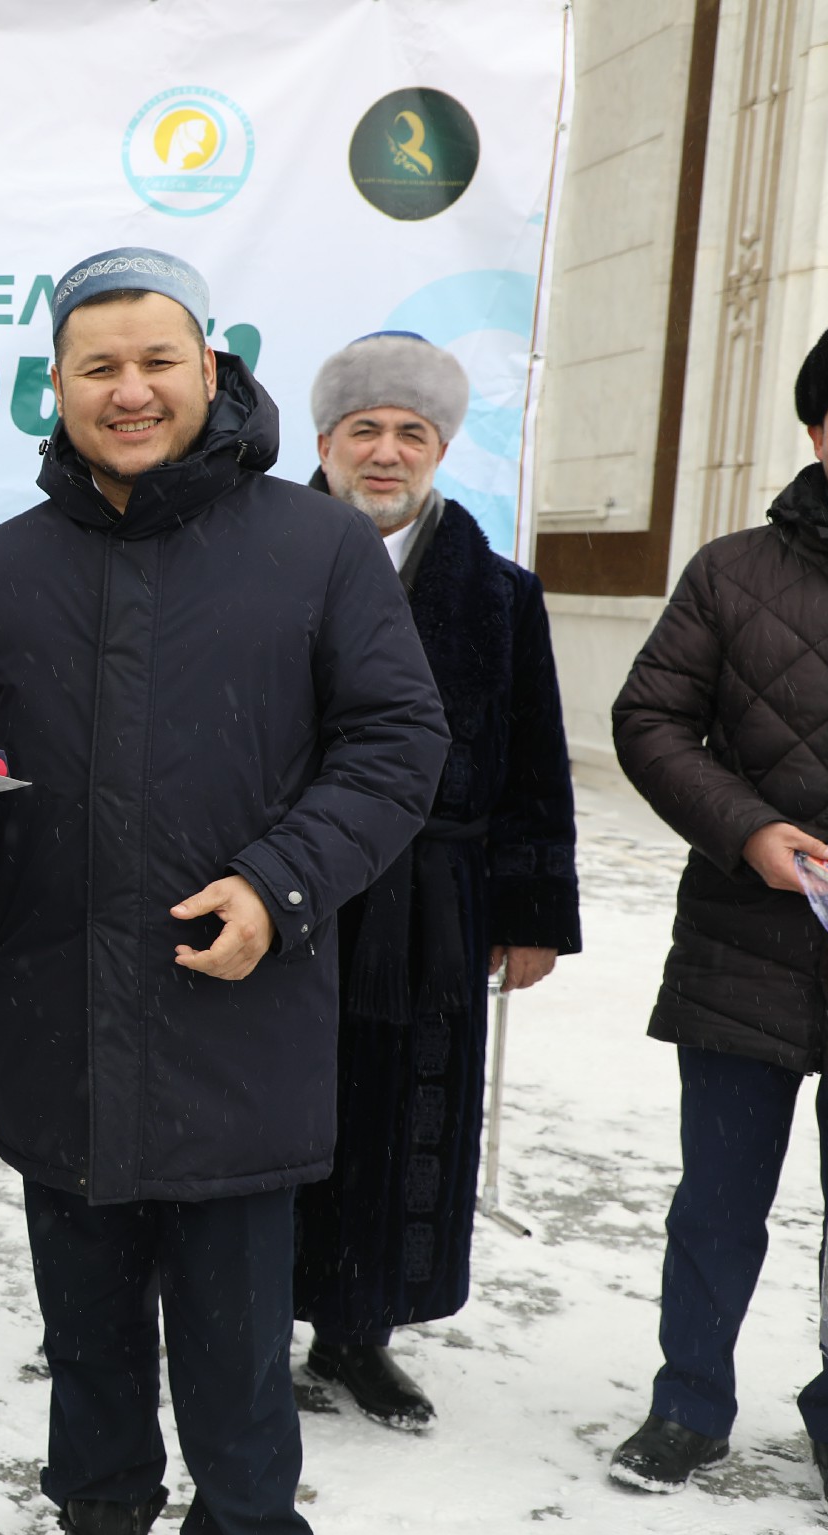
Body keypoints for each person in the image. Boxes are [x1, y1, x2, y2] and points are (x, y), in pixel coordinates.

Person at [0, 248, 447, 1535]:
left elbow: (396, 742)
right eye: (100, 367)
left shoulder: (314, 544)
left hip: (234, 1013)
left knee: (235, 1337)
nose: (129, 390)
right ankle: (102, 1534)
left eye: (157, 361)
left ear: (210, 367)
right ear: (59, 384)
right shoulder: (7, 563)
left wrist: (280, 884)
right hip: (59, 1007)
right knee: (83, 1318)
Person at [606, 307, 828, 1527]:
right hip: (745, 944)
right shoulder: (732, 571)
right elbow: (651, 719)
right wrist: (749, 829)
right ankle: (689, 1403)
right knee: (717, 1201)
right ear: (817, 432)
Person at [290, 333, 581, 1430]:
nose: (386, 451)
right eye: (364, 428)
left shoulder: (499, 594)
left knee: (404, 1115)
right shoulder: (261, 565)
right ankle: (247, 1317)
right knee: (277, 1112)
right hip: (293, 889)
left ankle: (360, 1330)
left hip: (434, 904)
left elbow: (535, 761)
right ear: (325, 441)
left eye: (411, 432)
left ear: (443, 449)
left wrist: (532, 910)